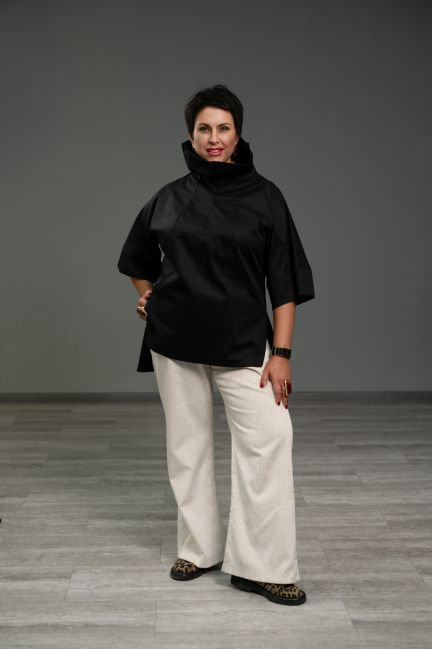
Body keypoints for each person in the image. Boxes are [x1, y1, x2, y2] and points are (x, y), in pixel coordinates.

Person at [117, 84, 315, 606]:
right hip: (174, 339)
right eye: (204, 128)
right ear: (191, 135)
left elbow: (285, 283)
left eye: (223, 128)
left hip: (243, 341)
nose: (214, 138)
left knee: (270, 437)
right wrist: (148, 296)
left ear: (238, 133)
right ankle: (198, 548)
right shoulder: (170, 196)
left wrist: (282, 355)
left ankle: (262, 566)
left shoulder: (266, 197)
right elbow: (136, 258)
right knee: (187, 445)